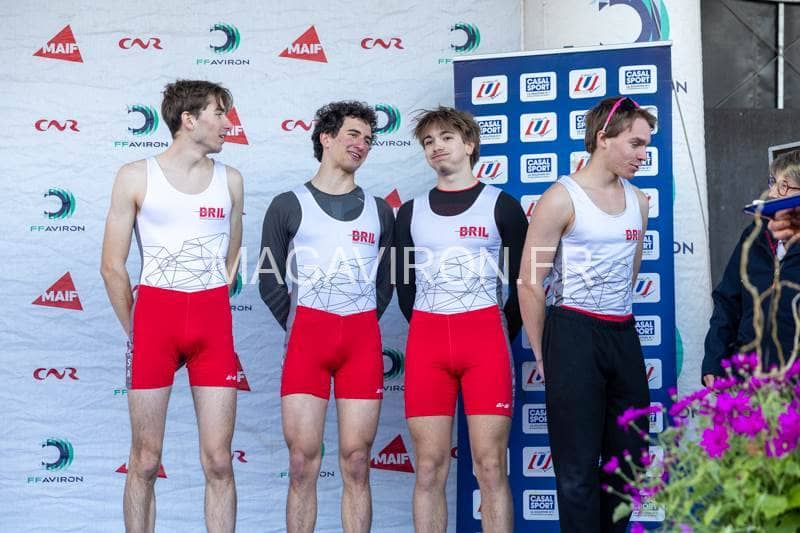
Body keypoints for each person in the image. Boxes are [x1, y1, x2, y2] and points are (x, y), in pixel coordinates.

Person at [100, 80, 243, 533]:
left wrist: (206, 296)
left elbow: (231, 260)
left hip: (212, 326)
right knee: (145, 459)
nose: (228, 123)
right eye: (219, 113)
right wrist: (139, 329)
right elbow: (112, 266)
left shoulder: (231, 180)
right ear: (189, 119)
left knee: (219, 461)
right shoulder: (135, 175)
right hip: (154, 322)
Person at [518, 96, 655, 532]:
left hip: (622, 333)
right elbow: (529, 281)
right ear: (603, 138)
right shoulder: (561, 198)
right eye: (635, 143)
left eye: (646, 144)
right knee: (576, 471)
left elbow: (630, 271)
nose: (643, 154)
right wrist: (544, 353)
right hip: (573, 334)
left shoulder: (639, 200)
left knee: (629, 463)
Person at [258, 101, 394, 533]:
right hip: (307, 343)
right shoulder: (287, 205)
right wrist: (302, 325)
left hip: (360, 344)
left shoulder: (380, 210)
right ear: (326, 137)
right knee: (302, 463)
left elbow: (386, 283)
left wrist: (357, 322)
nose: (361, 144)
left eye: (368, 139)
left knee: (357, 462)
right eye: (353, 134)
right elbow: (269, 281)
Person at [394, 106, 527, 533]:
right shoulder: (409, 212)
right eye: (428, 141)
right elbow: (404, 286)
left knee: (490, 466)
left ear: (469, 145)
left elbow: (524, 284)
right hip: (428, 343)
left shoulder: (502, 205)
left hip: (484, 341)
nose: (436, 147)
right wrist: (431, 323)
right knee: (429, 467)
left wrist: (498, 329)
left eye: (446, 137)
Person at [703, 150, 800, 384]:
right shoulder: (754, 236)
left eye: (784, 186)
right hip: (749, 375)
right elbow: (728, 301)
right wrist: (715, 361)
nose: (773, 193)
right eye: (773, 182)